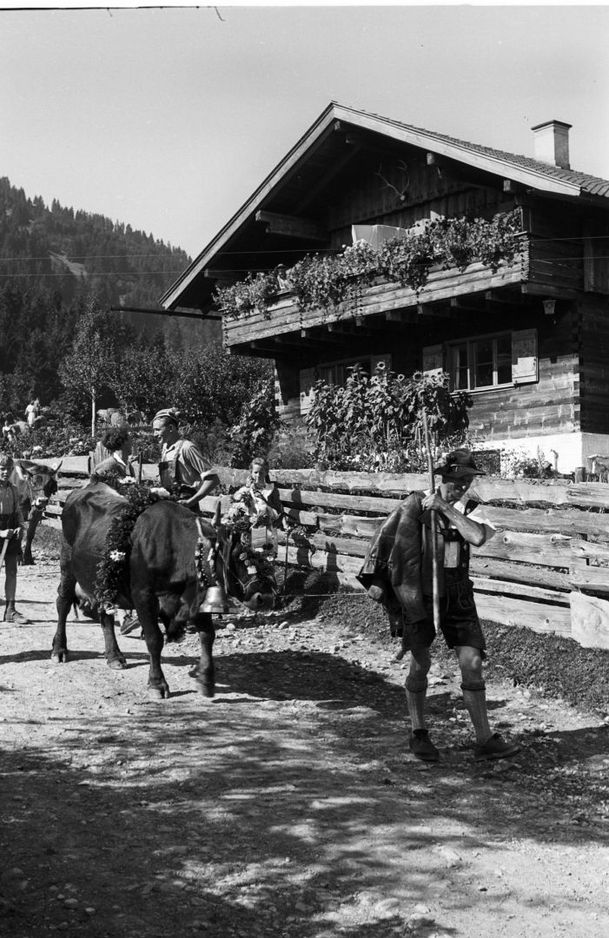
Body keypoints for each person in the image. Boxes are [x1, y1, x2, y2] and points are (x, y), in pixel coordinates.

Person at [358, 448, 520, 763]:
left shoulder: (474, 510)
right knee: (421, 662)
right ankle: (419, 733)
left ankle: (484, 739)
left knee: (472, 662)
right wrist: (377, 580)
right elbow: (387, 539)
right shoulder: (416, 504)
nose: (461, 485)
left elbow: (475, 537)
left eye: (467, 479)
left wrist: (445, 508)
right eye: (456, 478)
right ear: (442, 476)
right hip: (420, 592)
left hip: (458, 596)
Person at [152, 408, 219, 511]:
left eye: (157, 430)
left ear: (170, 428)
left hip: (187, 510)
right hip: (169, 506)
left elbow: (213, 480)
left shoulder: (187, 448)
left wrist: (190, 502)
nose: (154, 434)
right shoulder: (165, 448)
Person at [0, 453, 30, 624]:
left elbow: (18, 511)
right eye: (2, 469)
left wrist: (21, 526)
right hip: (1, 533)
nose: (6, 472)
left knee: (12, 571)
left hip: (11, 532)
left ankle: (10, 610)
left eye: (9, 469)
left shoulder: (13, 489)